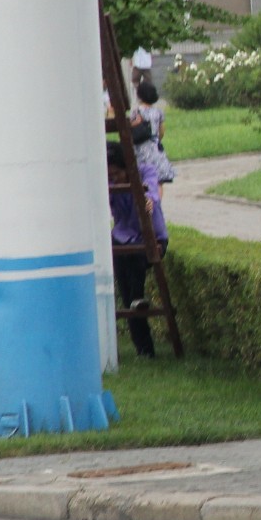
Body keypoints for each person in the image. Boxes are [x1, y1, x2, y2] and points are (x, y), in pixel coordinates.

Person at [107, 143, 168, 358]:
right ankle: (144, 348)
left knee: (136, 260)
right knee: (127, 293)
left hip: (150, 237)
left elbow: (151, 190)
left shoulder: (145, 171)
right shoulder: (110, 184)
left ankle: (137, 298)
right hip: (123, 237)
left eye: (116, 174)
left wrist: (148, 199)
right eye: (110, 176)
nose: (114, 179)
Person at [130, 80, 177, 184]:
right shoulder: (158, 112)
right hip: (155, 147)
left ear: (139, 96)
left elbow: (130, 127)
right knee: (159, 181)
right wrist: (157, 140)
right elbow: (162, 131)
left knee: (143, 178)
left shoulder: (137, 112)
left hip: (140, 149)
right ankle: (157, 200)